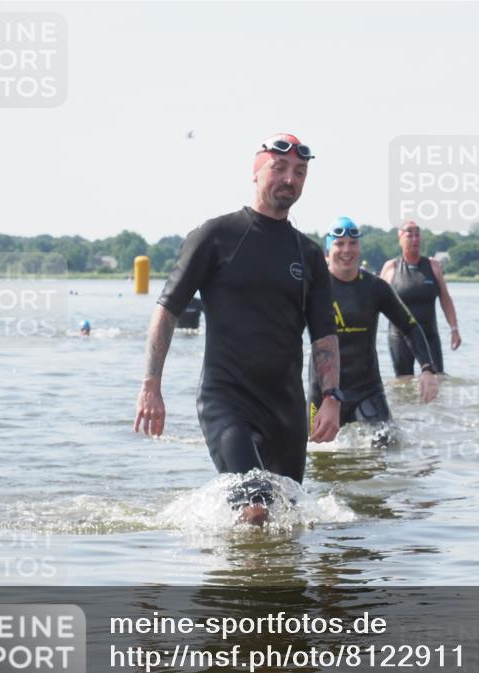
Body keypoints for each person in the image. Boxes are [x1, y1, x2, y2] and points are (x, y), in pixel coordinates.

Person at [133, 133, 341, 523]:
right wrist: (151, 386)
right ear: (256, 171)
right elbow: (167, 310)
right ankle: (232, 578)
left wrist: (331, 396)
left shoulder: (309, 254)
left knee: (287, 518)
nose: (289, 179)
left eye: (299, 172)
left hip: (286, 409)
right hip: (226, 401)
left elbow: (324, 334)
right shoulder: (216, 236)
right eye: (279, 169)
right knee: (256, 507)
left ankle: (262, 582)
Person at [310, 217, 439, 428]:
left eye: (353, 243)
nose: (347, 250)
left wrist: (427, 369)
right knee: (317, 452)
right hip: (323, 392)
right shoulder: (313, 288)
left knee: (386, 444)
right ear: (328, 249)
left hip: (367, 389)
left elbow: (410, 327)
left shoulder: (376, 288)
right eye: (339, 244)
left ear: (360, 247)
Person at [380, 220, 460, 375]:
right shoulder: (391, 267)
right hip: (400, 337)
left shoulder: (433, 266)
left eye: (417, 234)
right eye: (410, 234)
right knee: (403, 383)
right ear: (400, 237)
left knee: (437, 378)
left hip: (429, 335)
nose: (415, 239)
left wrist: (454, 329)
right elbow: (375, 302)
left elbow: (446, 300)